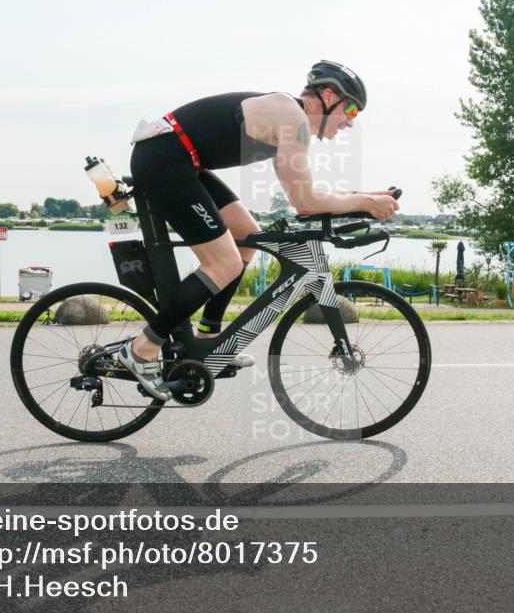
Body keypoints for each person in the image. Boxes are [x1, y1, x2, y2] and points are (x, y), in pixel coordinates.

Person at [118, 60, 399, 400]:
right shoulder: (293, 119)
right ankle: (141, 349)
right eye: (351, 108)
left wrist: (365, 199)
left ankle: (209, 339)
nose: (351, 121)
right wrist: (365, 201)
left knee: (247, 240)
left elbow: (304, 194)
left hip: (180, 158)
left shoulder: (290, 118)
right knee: (223, 264)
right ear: (328, 95)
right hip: (164, 158)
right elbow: (305, 201)